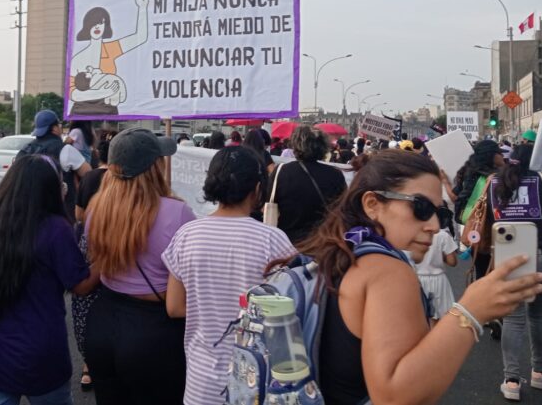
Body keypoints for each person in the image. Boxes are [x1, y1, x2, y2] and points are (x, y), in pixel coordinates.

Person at [292, 150, 542, 404]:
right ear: (372, 204)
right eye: (420, 207)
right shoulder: (387, 270)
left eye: (439, 213)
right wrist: (471, 311)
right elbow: (394, 397)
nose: (434, 226)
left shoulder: (342, 253)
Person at [0, 155, 99, 404]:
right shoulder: (55, 229)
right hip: (41, 358)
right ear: (50, 191)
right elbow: (81, 285)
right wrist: (110, 257)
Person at [162, 147, 295, 405]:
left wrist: (211, 308)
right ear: (258, 188)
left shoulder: (187, 235)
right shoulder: (274, 242)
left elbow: (174, 307)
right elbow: (287, 314)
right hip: (256, 384)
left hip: (201, 386)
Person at [84, 128, 195, 405]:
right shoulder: (177, 212)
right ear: (154, 167)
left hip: (102, 324)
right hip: (154, 332)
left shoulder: (97, 208)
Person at [494, 144, 542, 401]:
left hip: (507, 253)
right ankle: (539, 372)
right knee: (539, 316)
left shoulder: (495, 182)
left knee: (513, 318)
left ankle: (511, 380)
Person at [72, 138, 111, 391]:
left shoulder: (89, 178)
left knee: (87, 305)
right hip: (120, 250)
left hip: (90, 246)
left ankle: (88, 365)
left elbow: (78, 214)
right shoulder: (127, 179)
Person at [269, 126, 347, 245]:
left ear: (295, 145)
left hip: (287, 243)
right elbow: (343, 208)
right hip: (323, 243)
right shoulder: (335, 175)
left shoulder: (281, 171)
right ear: (323, 147)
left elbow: (269, 201)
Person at [21, 110, 91, 221]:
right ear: (54, 128)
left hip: (27, 214)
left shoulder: (25, 150)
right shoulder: (65, 150)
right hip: (60, 215)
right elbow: (88, 174)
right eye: (59, 124)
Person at [453, 139, 504, 280]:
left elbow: (457, 196)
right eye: (499, 153)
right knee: (496, 272)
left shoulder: (469, 172)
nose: (502, 156)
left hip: (474, 228)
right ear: (492, 155)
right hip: (490, 229)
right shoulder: (496, 177)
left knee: (481, 270)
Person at [415, 227, 458, 321]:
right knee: (441, 315)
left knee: (419, 316)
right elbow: (452, 262)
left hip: (417, 279)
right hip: (439, 280)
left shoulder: (410, 235)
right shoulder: (443, 235)